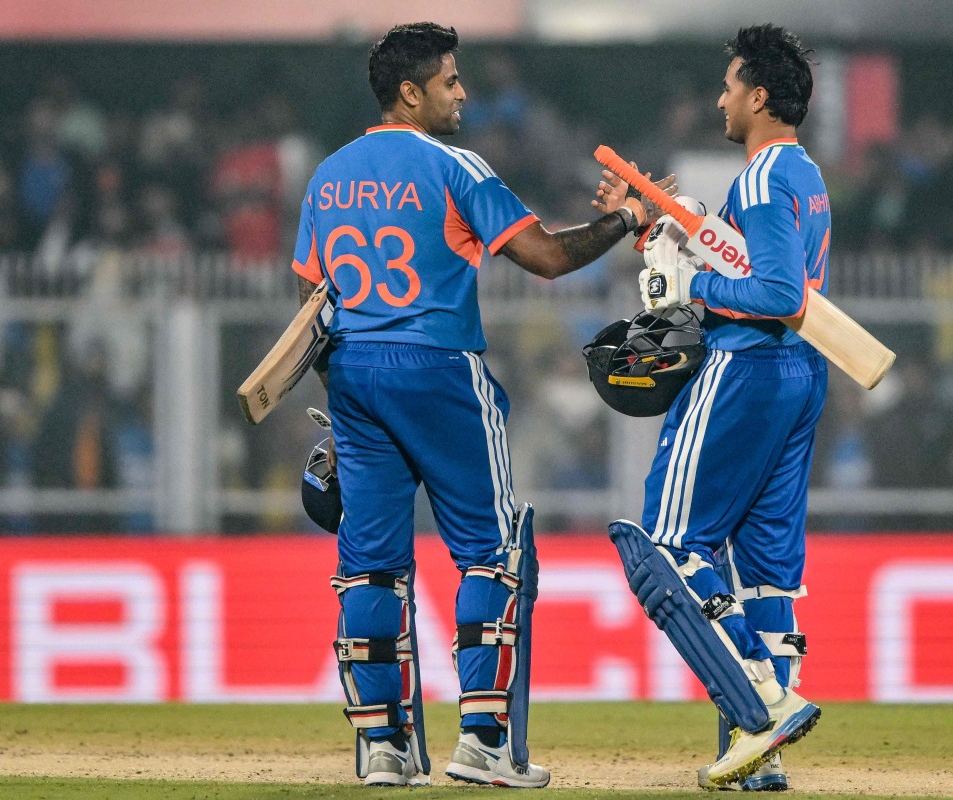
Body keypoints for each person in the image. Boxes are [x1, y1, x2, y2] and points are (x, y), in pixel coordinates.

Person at [288, 22, 668, 788]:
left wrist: (345, 393)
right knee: (489, 553)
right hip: (440, 369)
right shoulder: (455, 166)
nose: (464, 93)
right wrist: (628, 218)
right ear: (411, 91)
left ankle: (381, 750)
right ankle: (482, 742)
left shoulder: (328, 176)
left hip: (353, 373)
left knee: (369, 570)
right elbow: (549, 259)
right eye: (451, 81)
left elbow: (311, 296)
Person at [602, 24, 828, 791]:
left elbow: (773, 292)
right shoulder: (805, 175)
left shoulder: (762, 177)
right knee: (767, 572)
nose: (720, 98)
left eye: (730, 85)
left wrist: (689, 289)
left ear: (760, 96)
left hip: (749, 367)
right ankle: (762, 760)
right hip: (799, 374)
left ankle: (763, 702)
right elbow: (767, 272)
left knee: (667, 543)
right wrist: (665, 242)